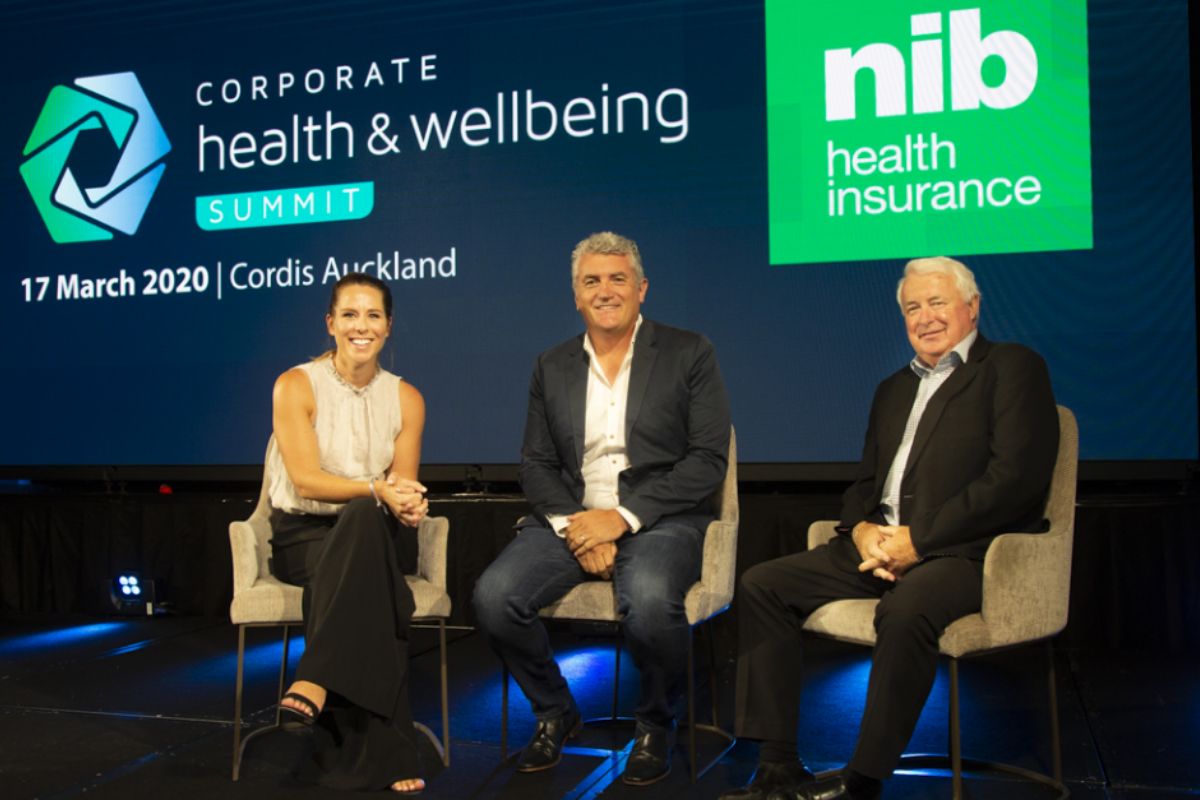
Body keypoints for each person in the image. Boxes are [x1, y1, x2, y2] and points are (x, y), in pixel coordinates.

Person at [722, 257, 1059, 800]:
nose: (924, 317)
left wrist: (918, 540)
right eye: (912, 307)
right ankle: (778, 764)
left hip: (963, 554)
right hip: (878, 544)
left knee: (905, 611)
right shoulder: (892, 388)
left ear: (972, 308)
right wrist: (859, 532)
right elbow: (864, 484)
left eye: (937, 303)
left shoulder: (1012, 367)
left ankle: (865, 777)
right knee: (764, 584)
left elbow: (1013, 480)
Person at [473, 231, 731, 786]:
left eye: (617, 279)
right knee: (495, 598)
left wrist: (621, 519)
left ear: (642, 289)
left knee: (648, 597)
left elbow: (708, 460)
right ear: (575, 295)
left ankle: (656, 723)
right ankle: (556, 711)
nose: (605, 291)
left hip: (661, 517)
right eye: (592, 281)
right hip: (573, 515)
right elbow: (536, 465)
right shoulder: (551, 365)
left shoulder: (690, 352)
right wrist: (577, 528)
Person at [267, 271, 430, 794]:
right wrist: (377, 491)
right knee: (373, 572)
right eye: (351, 314)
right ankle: (393, 747)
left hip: (375, 532)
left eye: (374, 315)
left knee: (365, 519)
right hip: (305, 534)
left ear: (389, 326)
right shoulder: (296, 384)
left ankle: (314, 675)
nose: (362, 326)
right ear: (331, 323)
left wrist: (406, 501)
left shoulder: (406, 398)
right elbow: (305, 479)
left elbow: (401, 483)